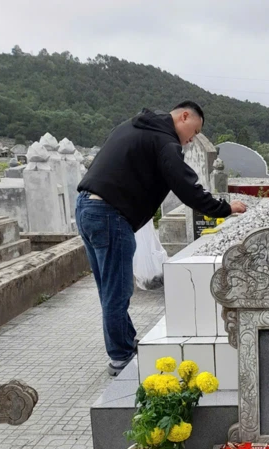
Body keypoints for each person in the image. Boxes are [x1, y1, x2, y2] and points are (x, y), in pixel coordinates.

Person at [76, 101, 247, 376]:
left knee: (109, 289)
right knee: (117, 292)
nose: (192, 138)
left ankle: (125, 344)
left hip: (87, 207)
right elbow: (186, 188)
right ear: (184, 115)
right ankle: (121, 358)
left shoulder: (136, 126)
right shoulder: (165, 140)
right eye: (194, 130)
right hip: (109, 215)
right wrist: (225, 209)